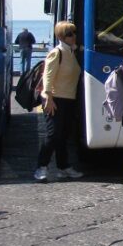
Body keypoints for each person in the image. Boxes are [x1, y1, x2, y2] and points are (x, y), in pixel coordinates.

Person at [34, 21, 83, 182]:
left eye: (74, 32)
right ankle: (41, 167)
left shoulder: (71, 52)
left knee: (64, 135)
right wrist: (48, 96)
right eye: (70, 34)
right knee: (53, 135)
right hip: (56, 99)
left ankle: (63, 167)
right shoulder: (58, 52)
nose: (73, 36)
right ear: (61, 36)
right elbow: (48, 75)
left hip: (69, 99)